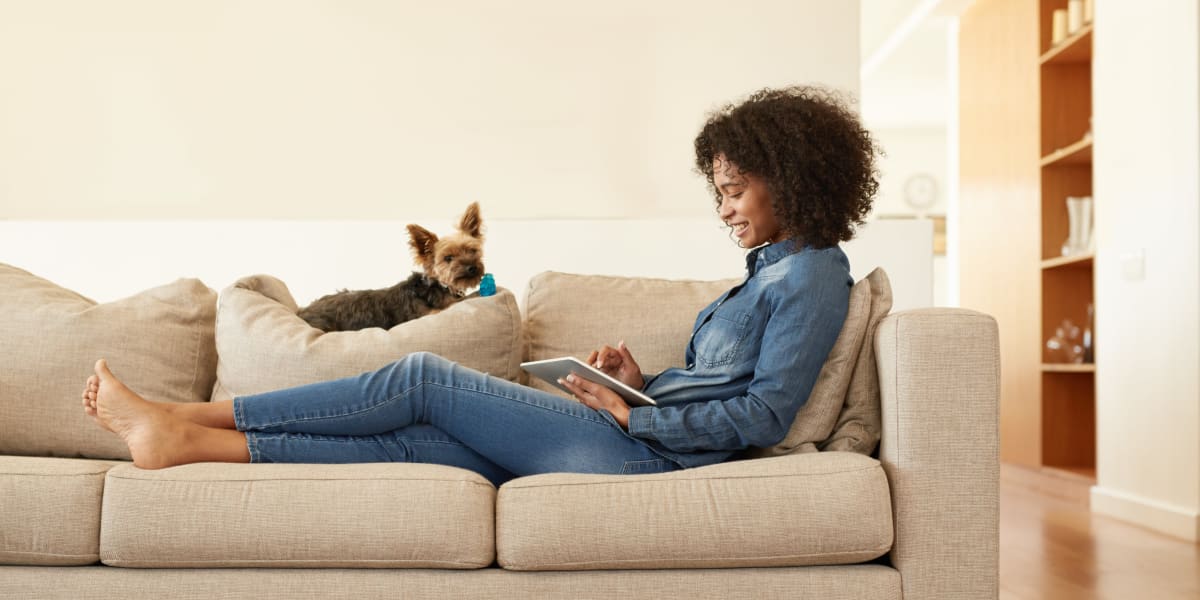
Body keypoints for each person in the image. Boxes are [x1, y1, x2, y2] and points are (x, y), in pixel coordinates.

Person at [82, 85, 879, 487]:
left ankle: (182, 413)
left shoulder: (814, 273)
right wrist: (638, 387)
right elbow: (720, 386)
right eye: (719, 193)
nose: (726, 209)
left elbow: (764, 414)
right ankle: (185, 443)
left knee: (421, 377)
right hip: (640, 436)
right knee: (420, 448)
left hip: (650, 461)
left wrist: (636, 423)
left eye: (736, 189)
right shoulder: (767, 273)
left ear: (792, 176)